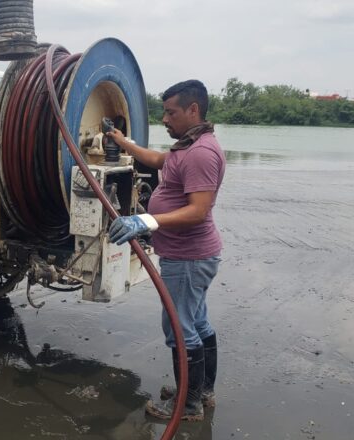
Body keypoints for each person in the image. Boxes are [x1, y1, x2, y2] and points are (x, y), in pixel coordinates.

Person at [106, 79, 225, 421]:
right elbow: (158, 160)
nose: (164, 119)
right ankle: (201, 390)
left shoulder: (201, 153)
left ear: (193, 110)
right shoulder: (188, 145)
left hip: (189, 257)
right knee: (197, 322)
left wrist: (148, 221)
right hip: (193, 255)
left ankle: (188, 406)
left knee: (179, 328)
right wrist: (122, 142)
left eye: (171, 112)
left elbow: (198, 210)